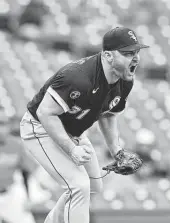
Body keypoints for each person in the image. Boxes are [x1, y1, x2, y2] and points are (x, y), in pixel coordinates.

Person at [20, 26, 149, 223]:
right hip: (39, 128)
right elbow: (45, 113)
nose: (135, 57)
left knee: (94, 187)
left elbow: (109, 114)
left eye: (137, 52)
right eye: (127, 53)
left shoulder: (124, 79)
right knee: (79, 186)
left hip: (72, 131)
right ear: (107, 55)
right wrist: (72, 150)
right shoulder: (78, 77)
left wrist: (118, 152)